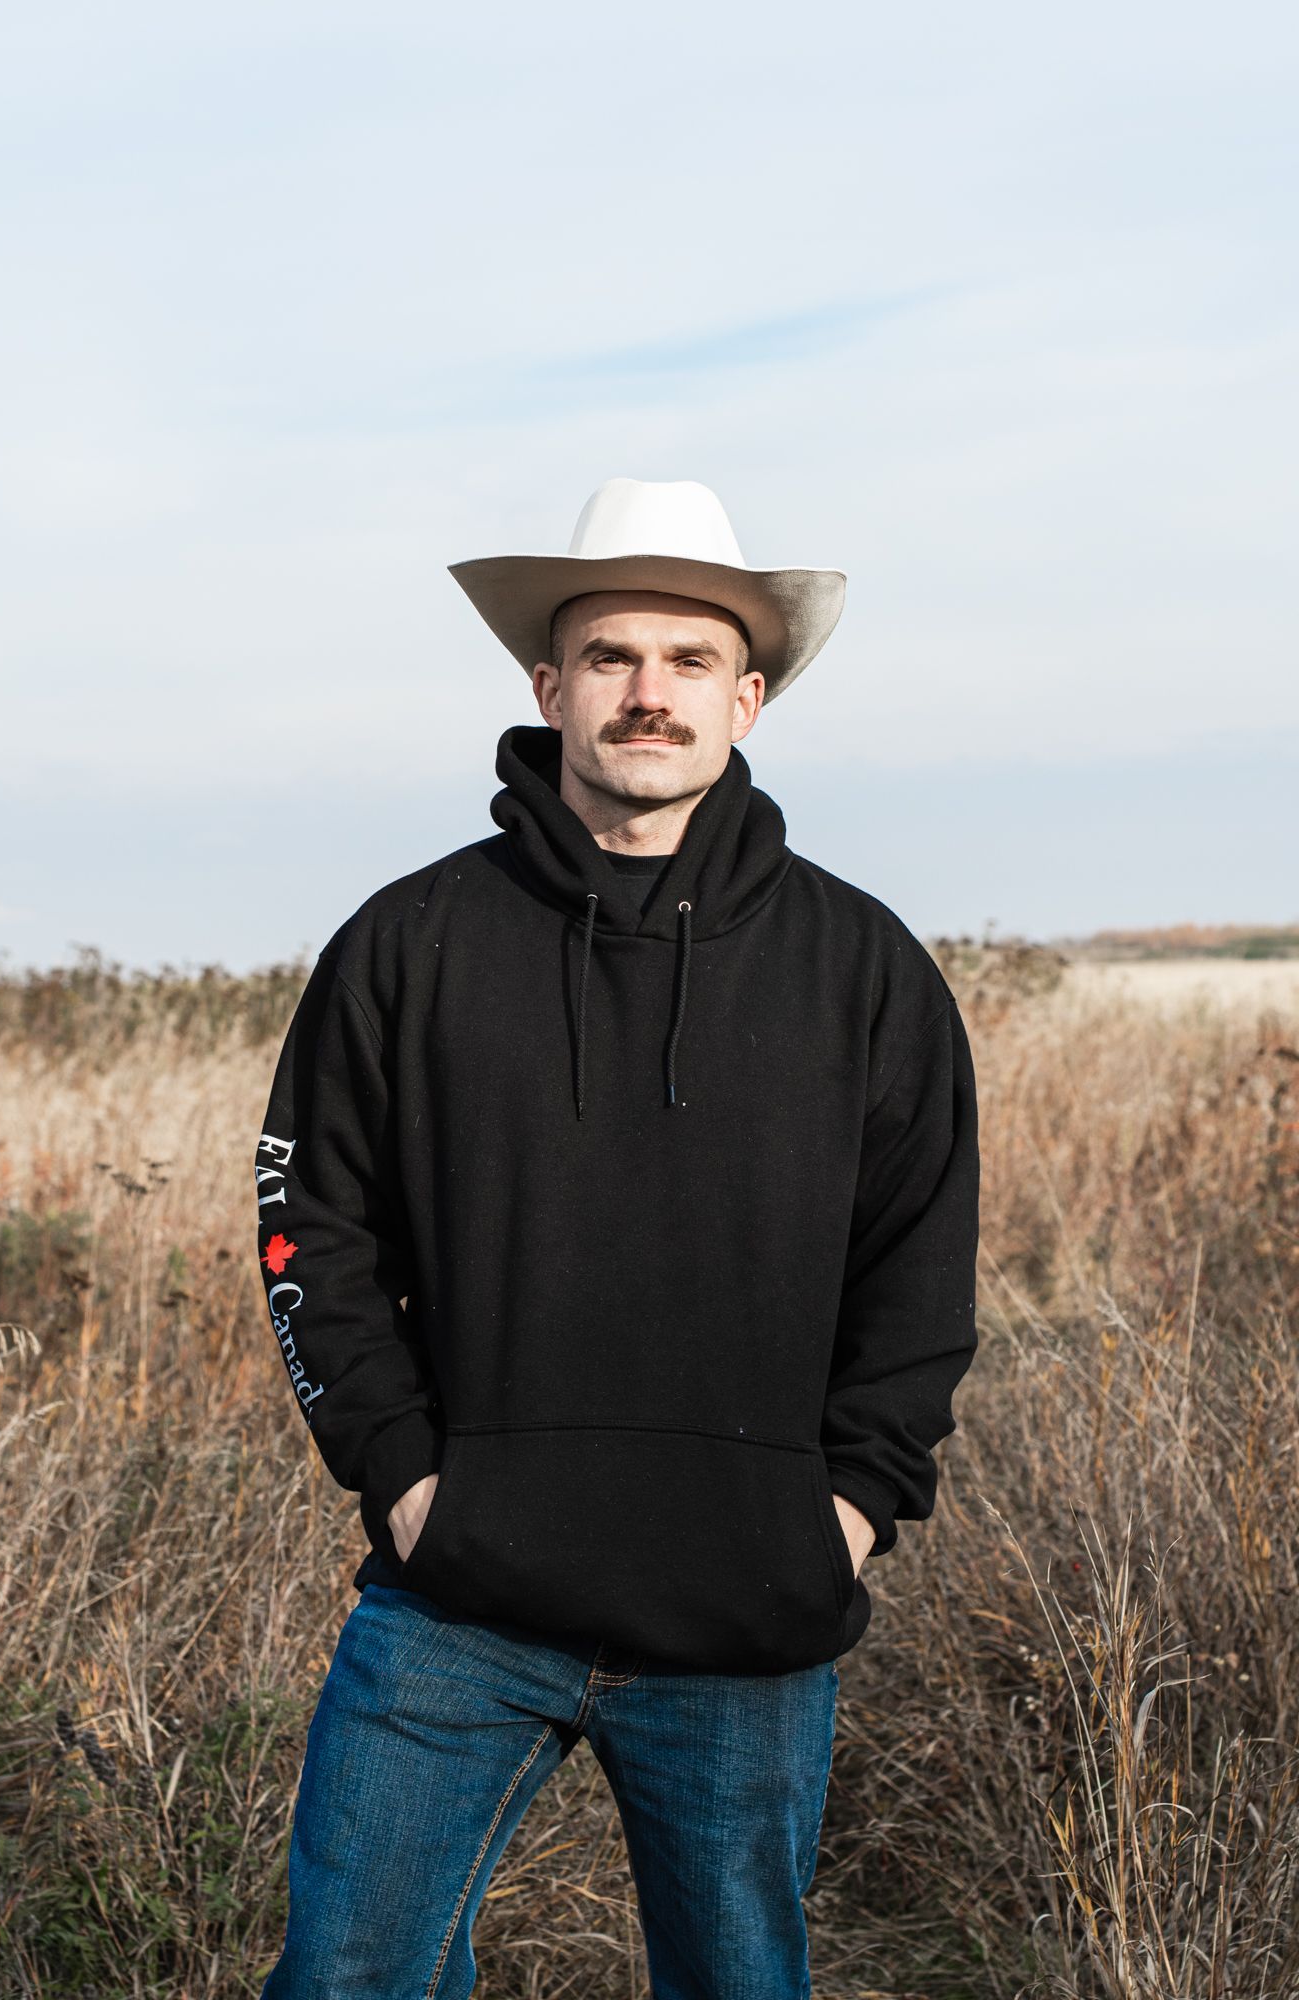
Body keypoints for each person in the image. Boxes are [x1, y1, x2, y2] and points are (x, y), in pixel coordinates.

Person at [254, 476, 981, 1998]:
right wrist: (403, 1483)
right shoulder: (409, 943)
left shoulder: (865, 968)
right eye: (610, 656)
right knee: (346, 1981)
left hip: (744, 1624)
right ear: (548, 684)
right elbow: (304, 1223)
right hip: (458, 1607)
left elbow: (921, 1279)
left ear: (751, 695)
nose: (650, 695)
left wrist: (841, 1514)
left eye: (691, 660)